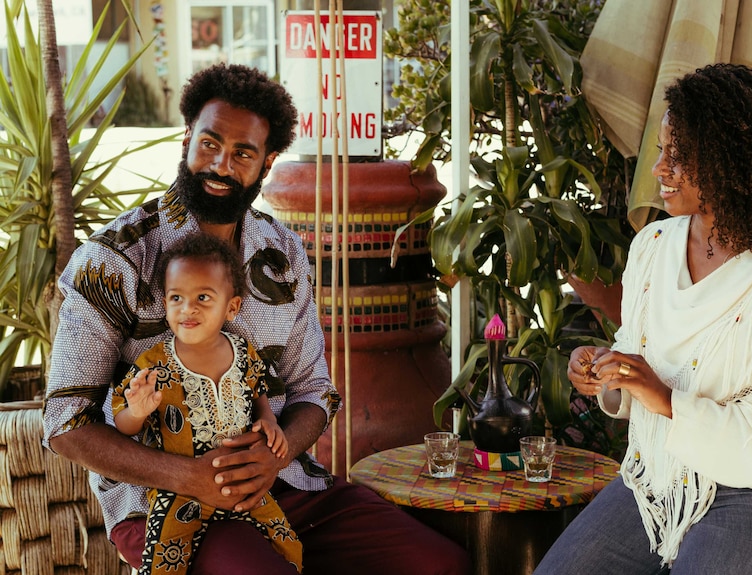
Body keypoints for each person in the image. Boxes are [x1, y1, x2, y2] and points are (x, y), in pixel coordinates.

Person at [43, 63, 471, 575]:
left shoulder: (284, 251)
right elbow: (64, 423)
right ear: (186, 140)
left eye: (243, 153)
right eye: (209, 143)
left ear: (267, 163)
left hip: (282, 487)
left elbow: (315, 391)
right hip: (161, 505)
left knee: (440, 564)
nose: (221, 165)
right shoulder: (112, 260)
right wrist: (190, 476)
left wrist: (279, 452)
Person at [534, 63, 752, 575]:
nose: (659, 169)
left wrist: (665, 398)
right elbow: (639, 360)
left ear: (730, 163)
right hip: (661, 479)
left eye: (678, 156)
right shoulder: (653, 248)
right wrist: (608, 371)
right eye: (661, 151)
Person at [113, 233, 302, 574]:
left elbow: (257, 389)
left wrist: (269, 422)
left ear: (232, 307)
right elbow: (123, 425)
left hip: (243, 483)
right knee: (163, 562)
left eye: (203, 297)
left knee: (288, 546)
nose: (188, 308)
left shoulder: (243, 352)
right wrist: (136, 411)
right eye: (176, 298)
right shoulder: (154, 365)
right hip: (180, 492)